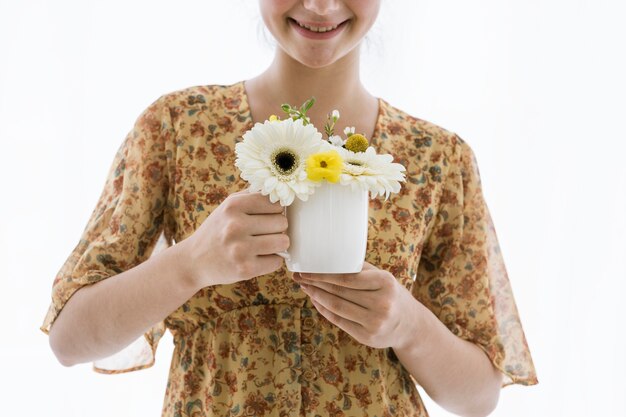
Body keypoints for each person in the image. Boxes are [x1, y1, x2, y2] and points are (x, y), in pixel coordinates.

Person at [41, 1, 538, 416]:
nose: (321, 6)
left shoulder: (437, 158)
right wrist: (190, 263)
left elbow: (479, 395)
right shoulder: (178, 127)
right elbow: (69, 339)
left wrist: (408, 325)